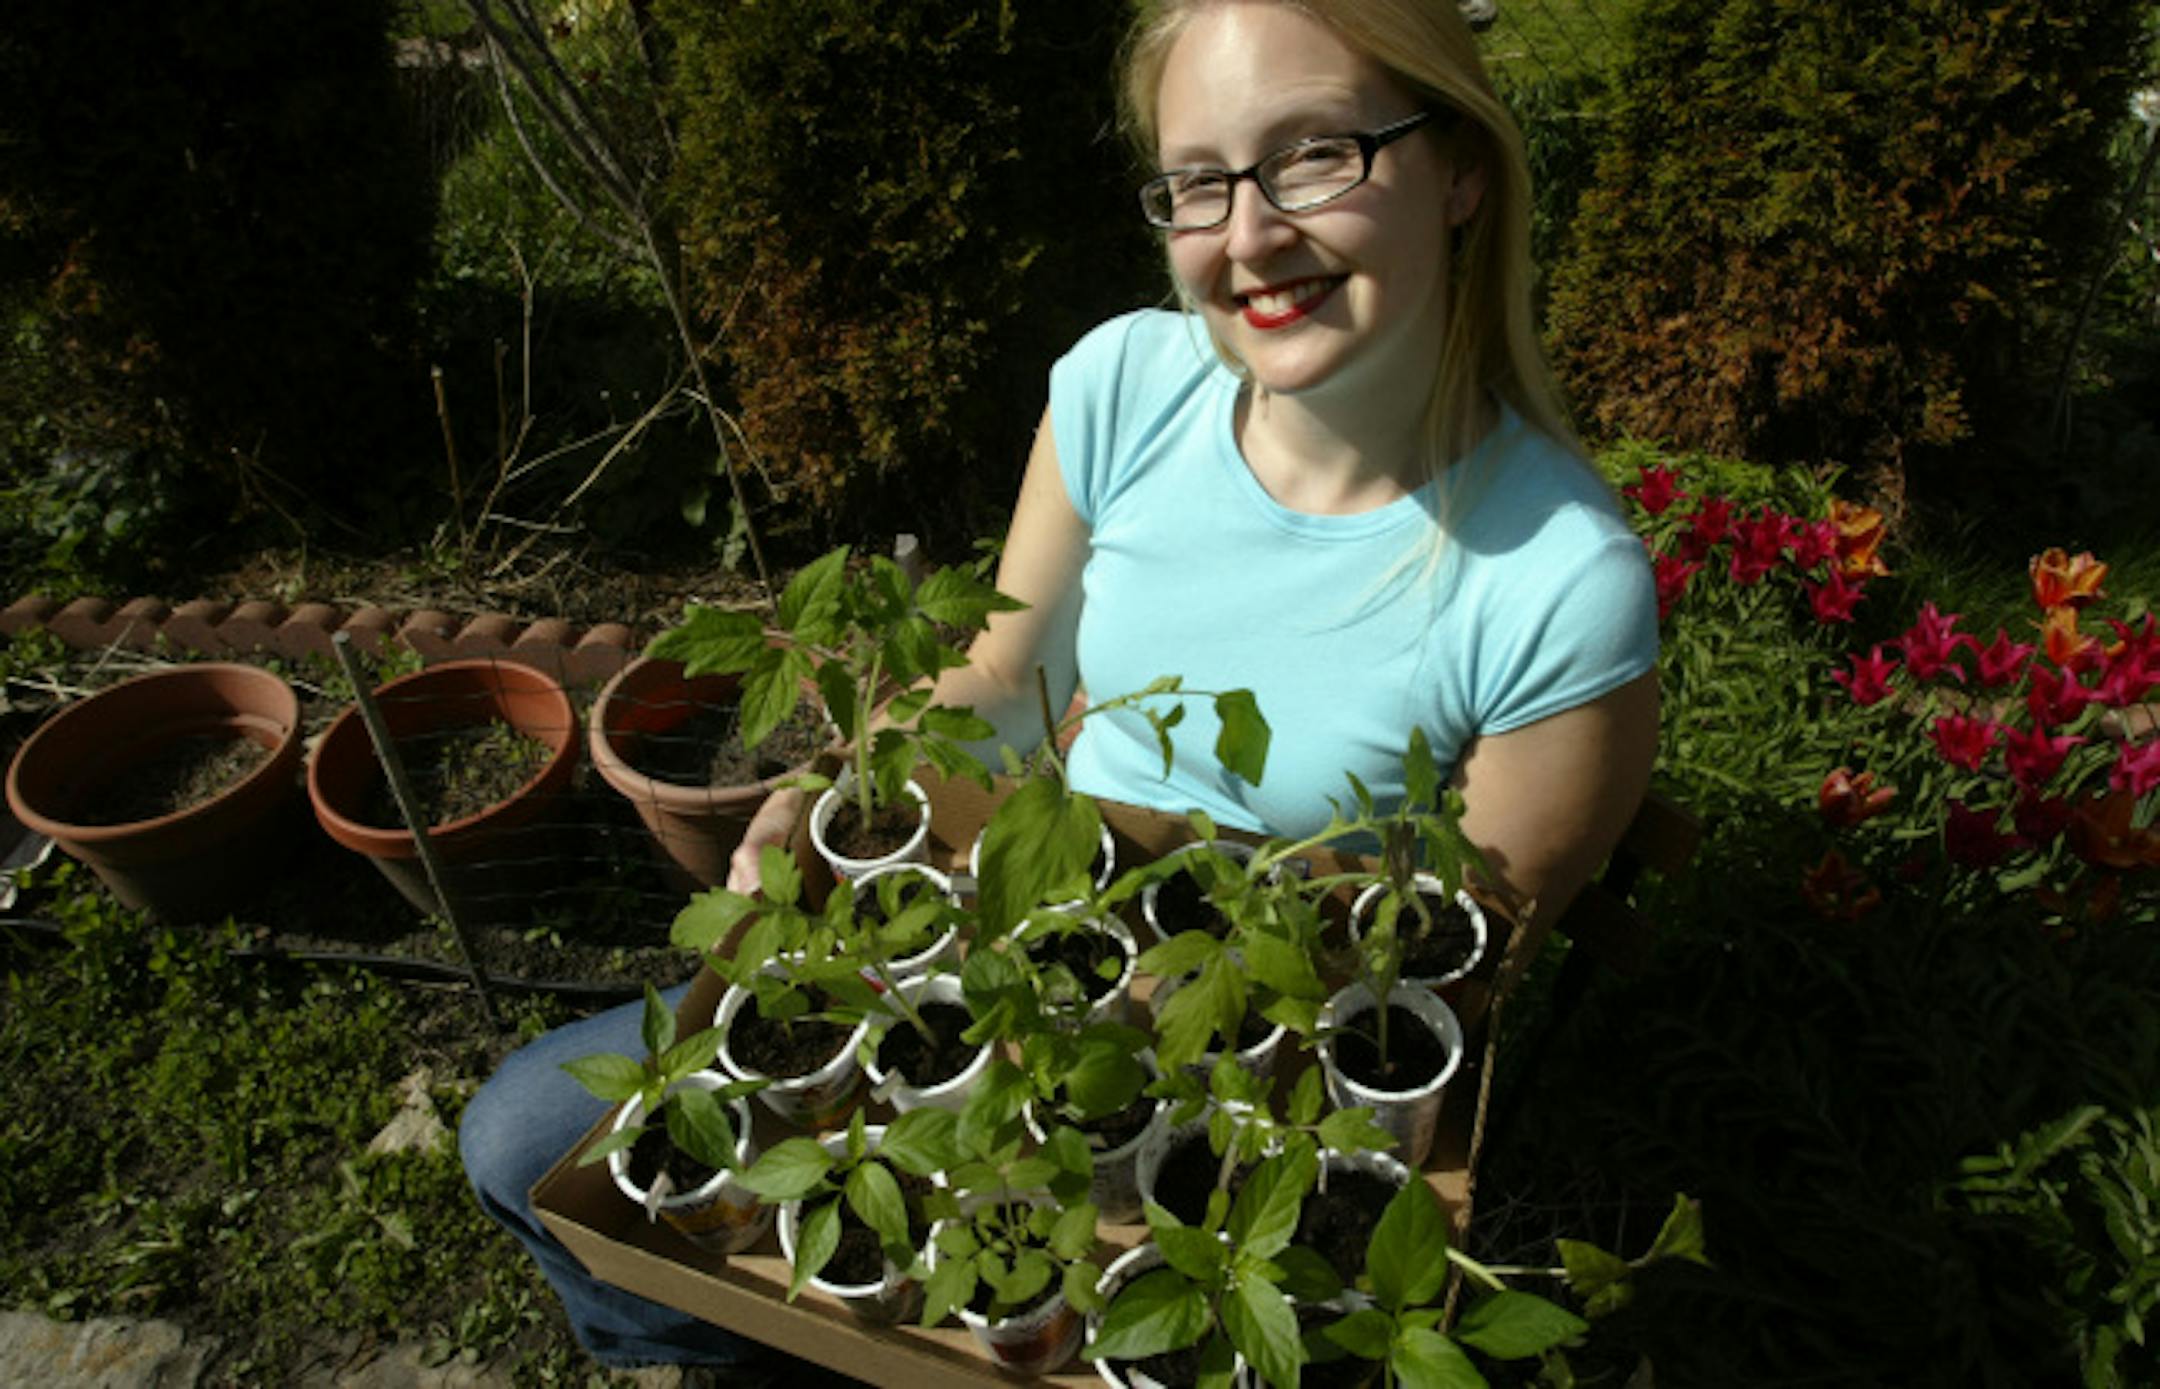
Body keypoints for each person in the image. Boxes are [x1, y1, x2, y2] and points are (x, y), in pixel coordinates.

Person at [460, 0, 1657, 1372]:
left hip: (1243, 1085)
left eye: (1318, 155)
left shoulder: (1554, 578)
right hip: (1010, 963)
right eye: (1199, 180)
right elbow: (1010, 680)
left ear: (1462, 171)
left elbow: (1437, 989)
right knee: (518, 1140)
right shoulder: (1124, 387)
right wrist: (851, 781)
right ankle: (726, 1349)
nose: (1250, 236)